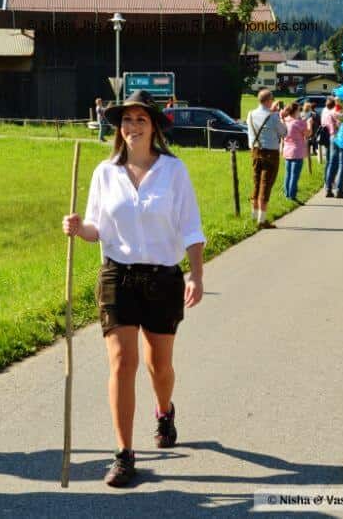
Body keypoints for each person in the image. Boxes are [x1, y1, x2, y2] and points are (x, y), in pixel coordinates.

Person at [62, 90, 205, 487]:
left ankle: (164, 409)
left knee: (159, 366)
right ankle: (124, 455)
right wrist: (78, 228)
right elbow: (96, 229)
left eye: (141, 119)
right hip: (117, 277)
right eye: (127, 120)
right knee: (122, 363)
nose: (133, 126)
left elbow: (192, 228)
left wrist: (196, 274)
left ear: (154, 126)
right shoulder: (104, 173)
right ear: (118, 127)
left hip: (162, 279)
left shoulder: (174, 171)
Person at [246, 89, 287, 229]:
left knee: (256, 183)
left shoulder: (250, 114)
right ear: (269, 100)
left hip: (255, 151)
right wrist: (279, 116)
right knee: (266, 185)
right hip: (270, 153)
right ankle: (262, 220)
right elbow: (284, 132)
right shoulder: (274, 116)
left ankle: (254, 216)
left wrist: (273, 112)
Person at [281, 102, 308, 201]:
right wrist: (308, 123)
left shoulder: (285, 121)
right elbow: (308, 134)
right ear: (296, 111)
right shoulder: (299, 123)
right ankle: (292, 195)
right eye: (299, 110)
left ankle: (287, 194)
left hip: (287, 150)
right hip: (297, 151)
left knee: (287, 174)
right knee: (294, 174)